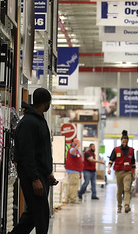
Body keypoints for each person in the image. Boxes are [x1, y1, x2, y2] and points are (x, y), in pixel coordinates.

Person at [10, 88, 57, 234]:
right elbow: (26, 153)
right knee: (42, 215)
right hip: (33, 176)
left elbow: (41, 150)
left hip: (41, 175)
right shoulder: (29, 122)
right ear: (45, 102)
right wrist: (35, 178)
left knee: (32, 216)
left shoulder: (39, 120)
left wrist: (48, 173)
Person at [107, 130, 136, 213]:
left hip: (128, 172)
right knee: (119, 190)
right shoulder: (116, 150)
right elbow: (111, 160)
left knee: (127, 189)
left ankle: (127, 205)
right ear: (121, 141)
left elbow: (133, 163)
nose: (124, 144)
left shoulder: (131, 150)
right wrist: (109, 168)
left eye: (126, 142)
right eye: (123, 142)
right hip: (119, 171)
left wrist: (133, 174)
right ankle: (119, 206)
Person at [64, 137, 83, 204]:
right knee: (73, 185)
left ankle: (69, 198)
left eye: (78, 141)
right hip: (73, 171)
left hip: (76, 171)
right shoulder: (72, 148)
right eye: (76, 141)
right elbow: (72, 152)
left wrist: (80, 172)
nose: (78, 142)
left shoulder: (76, 150)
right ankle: (72, 199)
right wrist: (77, 146)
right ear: (72, 142)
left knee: (72, 185)